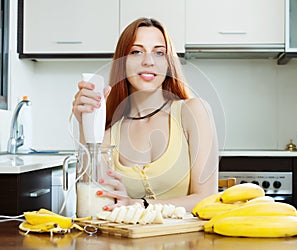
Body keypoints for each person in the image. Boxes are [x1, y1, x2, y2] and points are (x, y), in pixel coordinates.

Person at [72, 17, 219, 212]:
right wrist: (87, 125)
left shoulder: (194, 112)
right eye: (136, 52)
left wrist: (138, 205)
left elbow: (207, 199)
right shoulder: (108, 131)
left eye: (159, 53)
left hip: (186, 242)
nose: (148, 61)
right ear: (122, 62)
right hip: (125, 242)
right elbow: (94, 203)